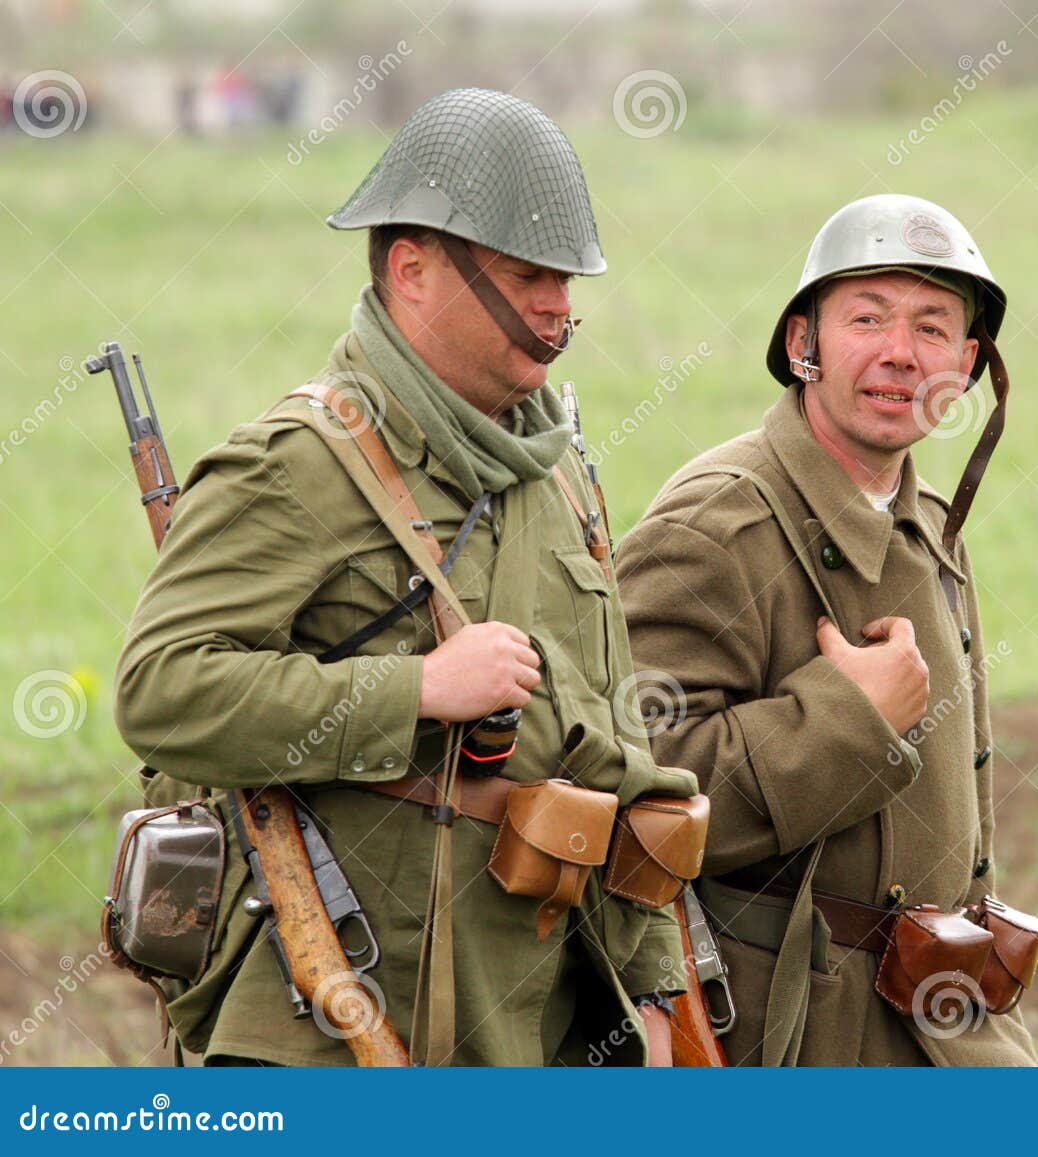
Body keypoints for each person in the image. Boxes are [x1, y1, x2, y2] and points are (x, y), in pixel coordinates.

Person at [115, 88, 695, 1066]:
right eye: (526, 274)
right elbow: (160, 689)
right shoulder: (296, 465)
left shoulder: (554, 472)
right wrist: (416, 691)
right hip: (330, 1013)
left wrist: (654, 990)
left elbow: (612, 749)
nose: (557, 306)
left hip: (539, 1016)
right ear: (412, 269)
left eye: (566, 279)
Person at [616, 194, 1038, 1065]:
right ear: (803, 344)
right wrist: (847, 717)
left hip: (937, 1025)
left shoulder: (929, 527)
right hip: (777, 1032)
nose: (899, 352)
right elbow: (633, 793)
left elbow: (972, 823)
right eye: (868, 318)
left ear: (965, 365)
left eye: (931, 327)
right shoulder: (714, 525)